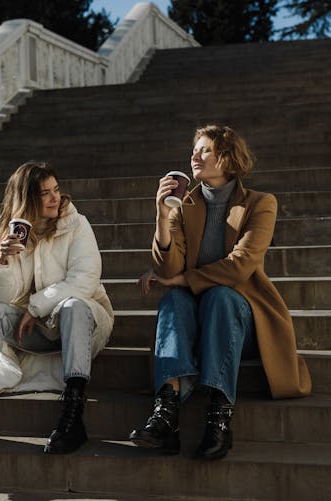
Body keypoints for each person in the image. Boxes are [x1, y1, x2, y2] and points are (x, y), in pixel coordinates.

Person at [129, 125, 311, 460]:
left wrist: (185, 280)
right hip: (195, 324)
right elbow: (169, 270)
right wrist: (161, 214)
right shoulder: (184, 206)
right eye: (193, 150)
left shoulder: (260, 204)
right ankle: (165, 412)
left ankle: (219, 418)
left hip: (241, 320)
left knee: (219, 296)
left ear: (227, 157)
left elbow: (240, 266)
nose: (194, 156)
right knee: (172, 298)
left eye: (205, 150)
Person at [0, 160, 114, 454]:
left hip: (84, 324)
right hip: (36, 331)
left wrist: (34, 307)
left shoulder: (77, 225)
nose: (54, 198)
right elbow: (3, 297)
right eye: (44, 193)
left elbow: (84, 280)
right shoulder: (19, 233)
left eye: (56, 190)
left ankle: (73, 415)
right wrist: (1, 261)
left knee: (73, 305)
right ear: (27, 199)